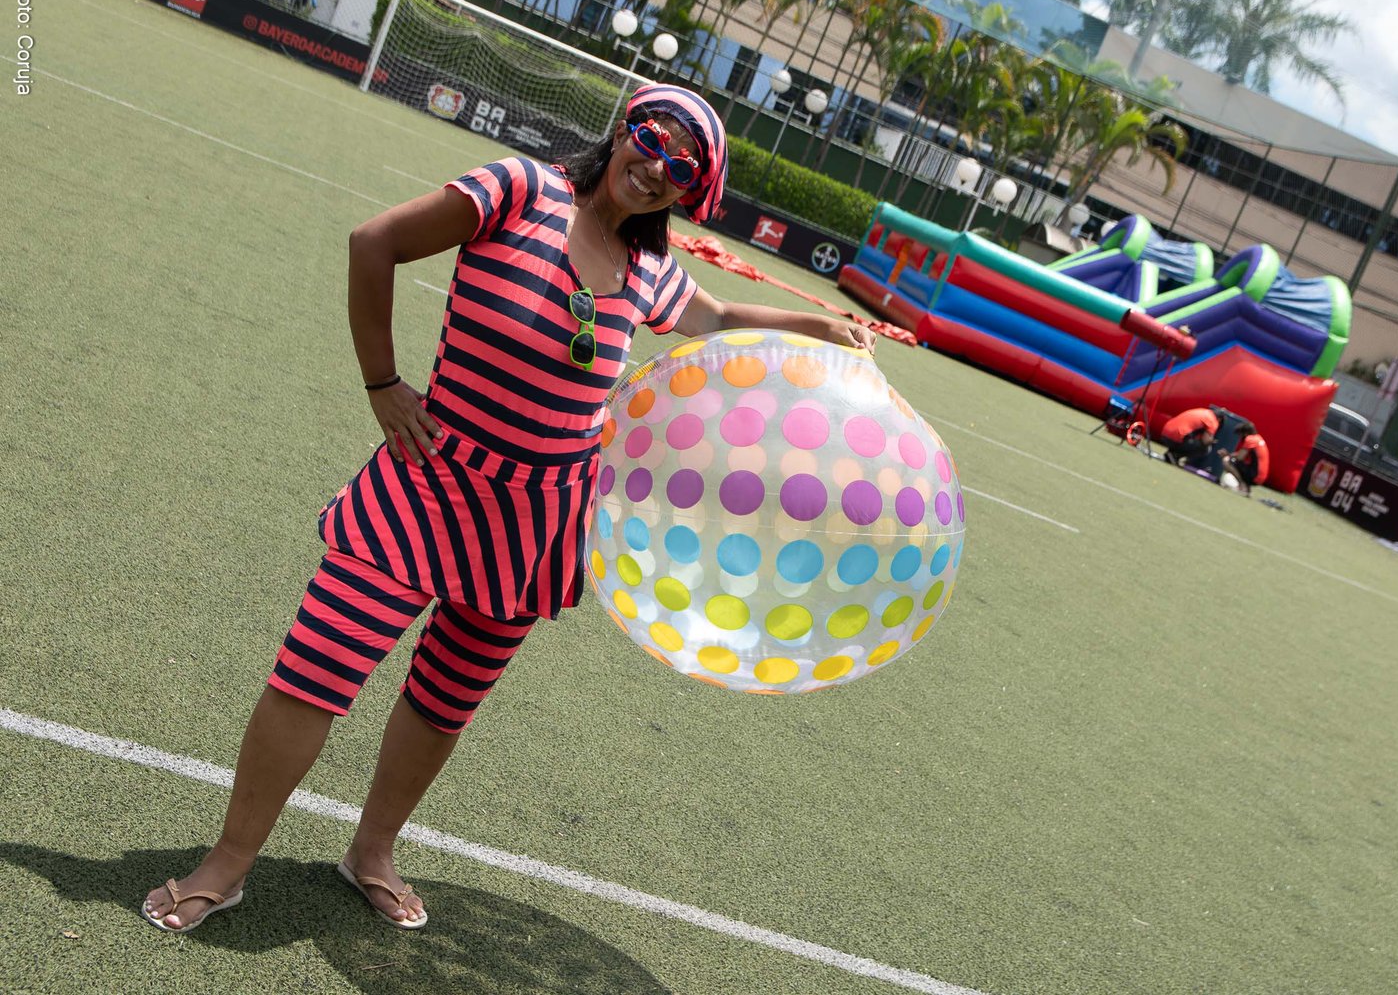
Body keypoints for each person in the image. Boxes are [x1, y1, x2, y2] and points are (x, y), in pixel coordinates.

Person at [141, 84, 875, 933]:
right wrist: (382, 383)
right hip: (426, 486)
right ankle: (228, 862)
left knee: (444, 698)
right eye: (652, 140)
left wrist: (819, 327)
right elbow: (374, 242)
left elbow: (716, 316)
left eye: (681, 167)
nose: (656, 167)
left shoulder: (649, 269)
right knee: (316, 669)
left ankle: (371, 852)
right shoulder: (521, 189)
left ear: (689, 191)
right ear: (624, 129)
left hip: (535, 526)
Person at [1223, 420, 1270, 494]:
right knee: (1235, 462)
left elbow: (1240, 457)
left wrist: (1227, 455)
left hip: (1255, 476)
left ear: (1245, 433)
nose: (1239, 437)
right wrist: (1229, 454)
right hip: (1261, 476)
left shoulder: (1250, 439)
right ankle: (1247, 488)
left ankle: (1242, 486)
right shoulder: (1258, 438)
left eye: (1240, 435)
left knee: (1227, 461)